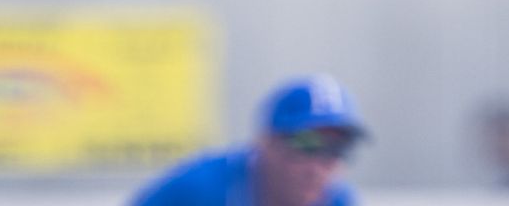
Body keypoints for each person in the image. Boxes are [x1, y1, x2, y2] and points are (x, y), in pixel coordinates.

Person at [133, 74, 368, 206]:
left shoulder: (336, 200)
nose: (318, 167)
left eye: (337, 148)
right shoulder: (201, 192)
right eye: (306, 144)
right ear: (266, 144)